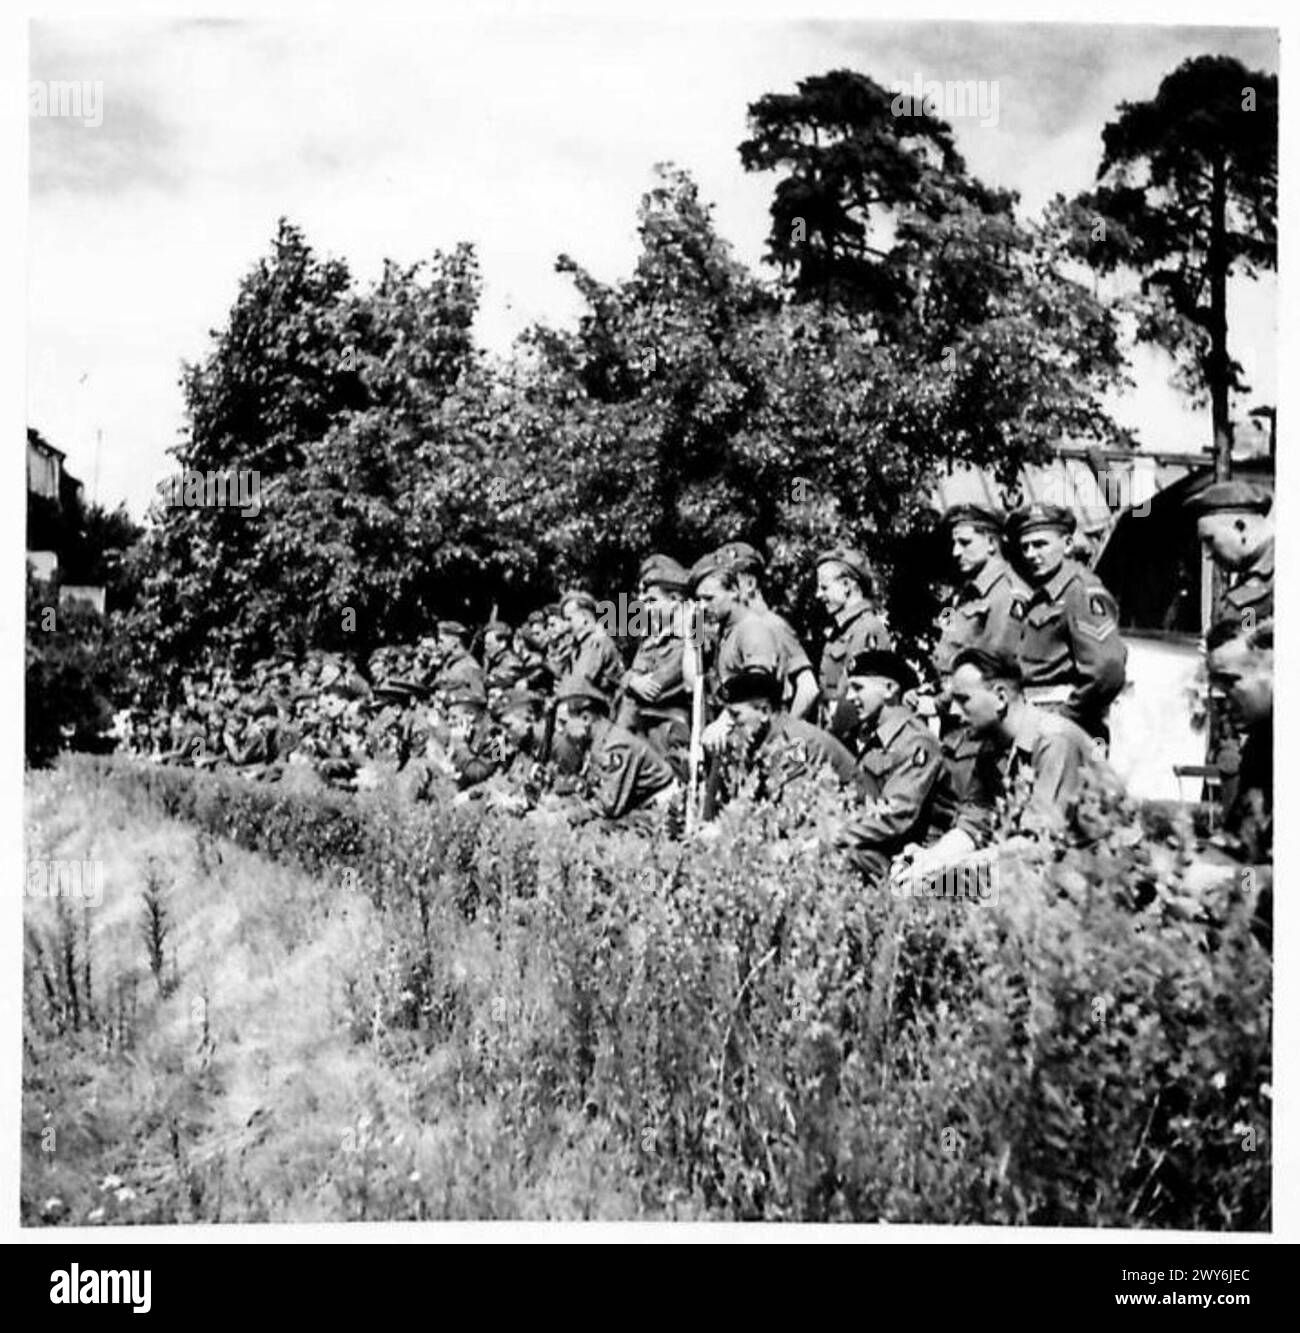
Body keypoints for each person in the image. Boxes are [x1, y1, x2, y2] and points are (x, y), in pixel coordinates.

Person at [897, 648, 1119, 886]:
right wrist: (931, 858)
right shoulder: (991, 746)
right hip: (1039, 866)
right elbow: (974, 823)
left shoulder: (1053, 741)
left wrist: (949, 868)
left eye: (963, 700)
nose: (953, 710)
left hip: (1098, 875)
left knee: (952, 887)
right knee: (918, 882)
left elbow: (1039, 845)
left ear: (1000, 697)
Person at [1004, 502, 1126, 741]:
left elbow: (1107, 670)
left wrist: (1065, 716)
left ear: (1068, 544)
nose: (1031, 554)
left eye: (1040, 544)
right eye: (1025, 546)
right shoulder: (1043, 593)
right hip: (1035, 720)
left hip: (1067, 728)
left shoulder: (1079, 591)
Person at [836, 650, 943, 885]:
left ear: (889, 689)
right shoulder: (874, 739)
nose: (850, 697)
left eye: (858, 688)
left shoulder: (916, 742)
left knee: (840, 858)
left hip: (913, 858)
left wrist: (834, 834)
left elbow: (896, 814)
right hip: (879, 847)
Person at [703, 663, 861, 813]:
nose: (729, 724)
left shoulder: (795, 741)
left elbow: (792, 806)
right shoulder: (762, 738)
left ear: (764, 712)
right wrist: (721, 758)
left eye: (735, 715)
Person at [691, 553, 818, 721]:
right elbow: (694, 682)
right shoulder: (725, 630)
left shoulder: (760, 627)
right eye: (698, 600)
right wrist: (692, 633)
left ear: (736, 590)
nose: (702, 606)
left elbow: (807, 687)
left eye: (709, 598)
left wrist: (787, 729)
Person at [551, 676, 677, 824]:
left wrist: (566, 816)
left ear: (585, 718)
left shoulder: (616, 746)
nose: (559, 730)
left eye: (564, 723)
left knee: (605, 828)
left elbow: (609, 806)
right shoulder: (597, 741)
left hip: (660, 807)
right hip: (638, 803)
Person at [931, 504, 1030, 677]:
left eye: (965, 543)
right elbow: (947, 640)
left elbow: (995, 662)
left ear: (991, 542)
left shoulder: (1007, 592)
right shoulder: (963, 594)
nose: (956, 552)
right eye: (955, 543)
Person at [617, 554, 692, 773]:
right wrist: (632, 680)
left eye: (652, 601)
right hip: (641, 728)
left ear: (676, 599)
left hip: (670, 731)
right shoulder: (651, 639)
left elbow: (657, 685)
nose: (646, 609)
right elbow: (630, 675)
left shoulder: (694, 632)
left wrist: (633, 682)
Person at [814, 546, 892, 739]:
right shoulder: (842, 629)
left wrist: (830, 738)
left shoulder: (865, 628)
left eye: (824, 587)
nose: (818, 595)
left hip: (850, 736)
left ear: (847, 585)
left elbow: (854, 694)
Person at [1185, 480, 1274, 630]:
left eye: (1210, 540)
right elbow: (1247, 630)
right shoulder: (1250, 577)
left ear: (1240, 527)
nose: (1207, 554)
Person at [560, 591, 625, 697]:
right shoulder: (580, 646)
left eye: (569, 619)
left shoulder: (597, 642)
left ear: (584, 617)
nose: (565, 626)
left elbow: (580, 684)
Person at [434, 621, 487, 701]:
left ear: (455, 642)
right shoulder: (449, 663)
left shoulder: (469, 665)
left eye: (441, 641)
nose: (438, 646)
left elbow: (480, 697)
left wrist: (450, 697)